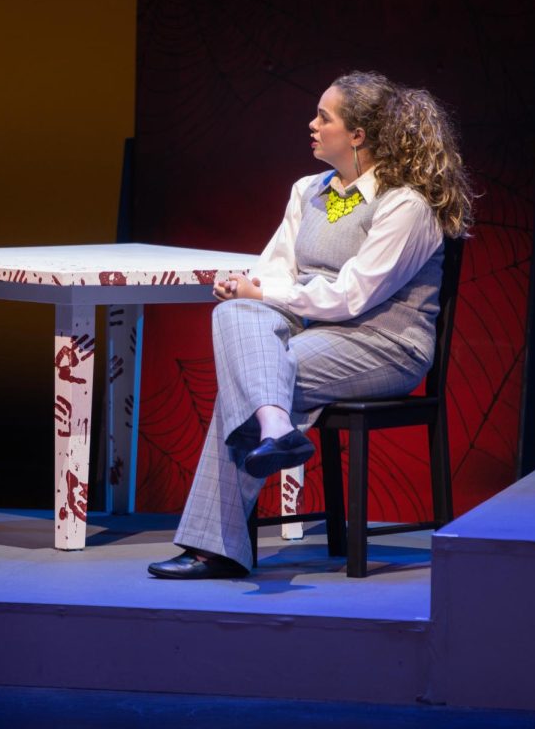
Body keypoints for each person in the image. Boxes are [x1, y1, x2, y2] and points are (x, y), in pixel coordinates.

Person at [148, 71, 474, 579]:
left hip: (384, 344)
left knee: (257, 374)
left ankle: (216, 549)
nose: (313, 124)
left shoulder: (405, 205)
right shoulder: (309, 190)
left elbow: (353, 295)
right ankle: (276, 428)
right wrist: (246, 288)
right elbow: (276, 269)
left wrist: (266, 292)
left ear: (359, 135)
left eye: (325, 116)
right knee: (235, 314)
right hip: (314, 331)